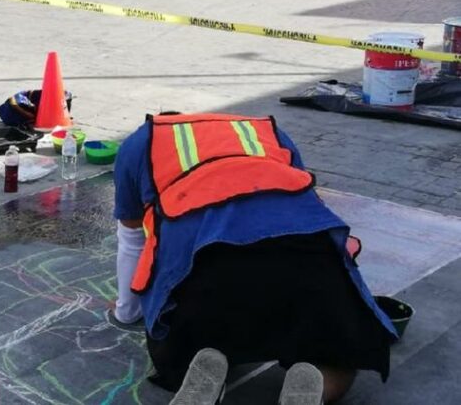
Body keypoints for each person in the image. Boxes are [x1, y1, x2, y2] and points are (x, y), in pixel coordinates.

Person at [112, 112, 396, 404]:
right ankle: (313, 383)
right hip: (308, 257)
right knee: (337, 351)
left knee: (191, 339)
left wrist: (126, 312)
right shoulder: (268, 131)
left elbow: (131, 240)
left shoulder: (141, 143)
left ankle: (203, 366)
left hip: (204, 275)